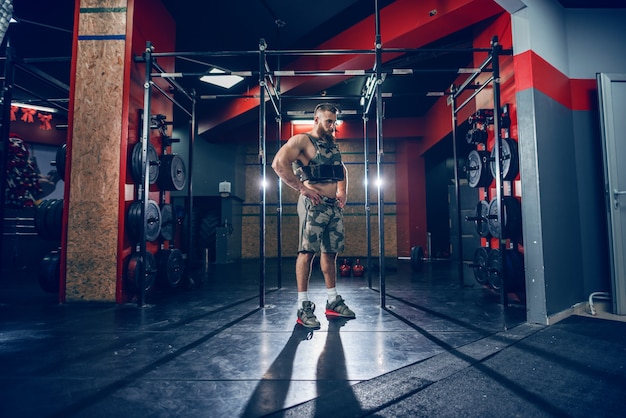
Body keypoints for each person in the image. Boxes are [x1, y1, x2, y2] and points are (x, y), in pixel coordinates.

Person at [272, 103, 356, 329]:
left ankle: (333, 301)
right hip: (314, 205)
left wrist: (342, 192)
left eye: (334, 121)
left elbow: (342, 170)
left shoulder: (331, 144)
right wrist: (302, 188)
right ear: (316, 119)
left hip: (332, 207)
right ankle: (303, 306)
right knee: (307, 253)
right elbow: (278, 164)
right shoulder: (302, 141)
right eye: (329, 121)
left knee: (330, 253)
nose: (332, 126)